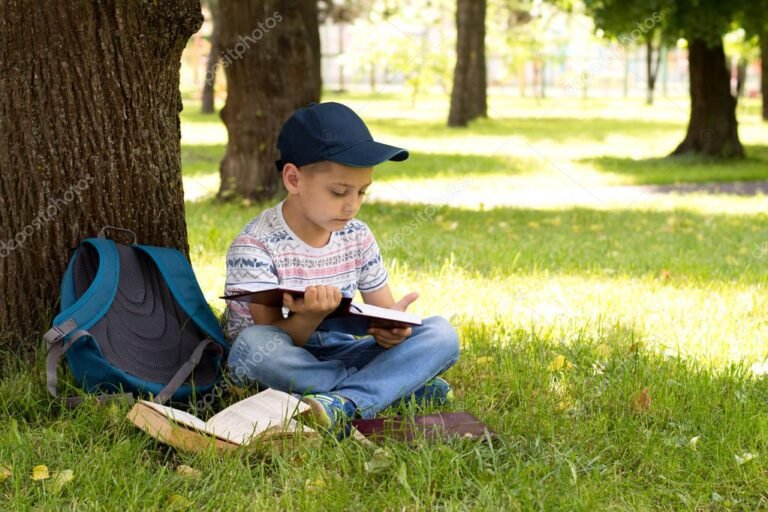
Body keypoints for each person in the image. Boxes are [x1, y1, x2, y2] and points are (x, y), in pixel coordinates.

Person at [223, 102, 460, 436]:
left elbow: (382, 313)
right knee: (252, 345)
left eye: (362, 192)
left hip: (339, 350)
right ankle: (394, 390)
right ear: (293, 179)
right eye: (338, 192)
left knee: (441, 333)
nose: (352, 205)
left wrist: (394, 330)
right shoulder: (255, 245)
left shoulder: (358, 236)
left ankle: (342, 403)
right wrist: (308, 316)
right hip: (281, 357)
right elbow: (268, 336)